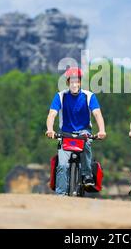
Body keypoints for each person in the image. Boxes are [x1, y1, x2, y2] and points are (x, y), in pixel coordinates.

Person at [46, 67, 106, 195]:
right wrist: (50, 129)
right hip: (65, 133)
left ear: (80, 82)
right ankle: (60, 195)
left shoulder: (89, 96)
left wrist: (102, 130)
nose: (74, 84)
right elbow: (52, 114)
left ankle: (86, 175)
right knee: (62, 165)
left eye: (76, 81)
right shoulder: (60, 96)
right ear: (68, 83)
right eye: (71, 81)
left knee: (87, 142)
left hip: (83, 131)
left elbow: (97, 114)